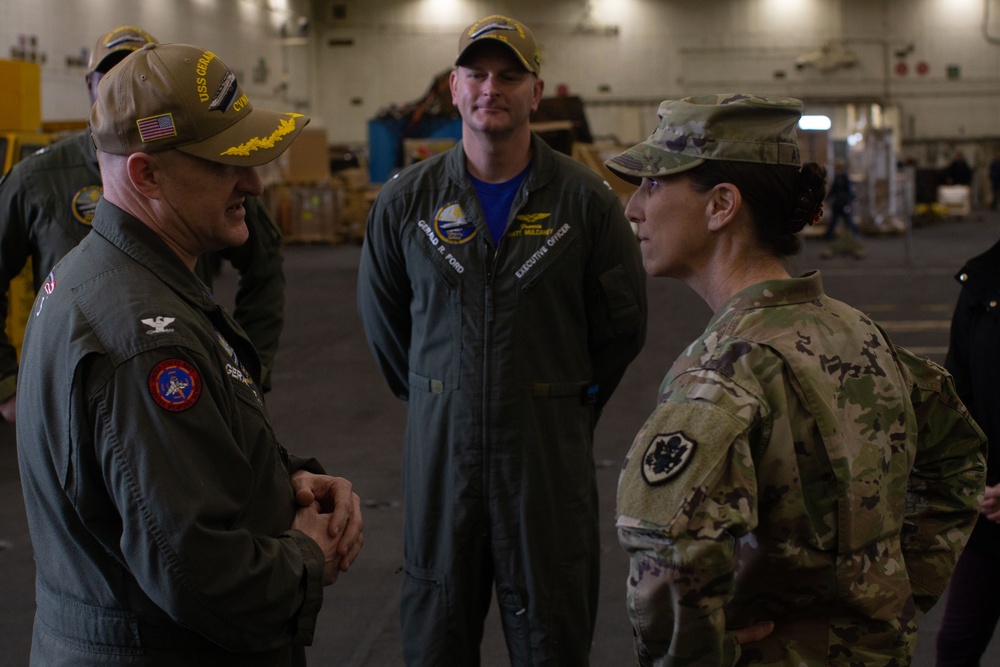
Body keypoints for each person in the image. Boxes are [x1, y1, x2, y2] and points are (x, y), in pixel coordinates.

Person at [605, 93, 986, 665]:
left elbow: (669, 550)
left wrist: (718, 652)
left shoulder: (722, 372)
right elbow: (958, 464)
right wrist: (889, 595)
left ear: (721, 205)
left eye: (654, 185)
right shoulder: (857, 331)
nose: (634, 207)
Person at [15, 42, 363, 665]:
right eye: (227, 163)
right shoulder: (145, 339)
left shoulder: (102, 276)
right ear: (146, 175)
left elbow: (174, 464)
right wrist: (309, 554)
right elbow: (199, 571)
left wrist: (286, 481)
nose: (254, 183)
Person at [357, 14, 647, 666]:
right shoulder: (404, 204)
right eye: (477, 74)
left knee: (552, 638)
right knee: (434, 638)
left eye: (510, 75)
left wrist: (559, 400)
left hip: (546, 468)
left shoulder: (587, 204)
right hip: (440, 465)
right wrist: (445, 393)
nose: (493, 87)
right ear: (454, 90)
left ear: (536, 92)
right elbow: (386, 330)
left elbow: (622, 328)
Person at [0, 26, 287, 425]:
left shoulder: (209, 176)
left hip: (184, 363)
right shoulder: (38, 179)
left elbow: (264, 263)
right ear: (89, 85)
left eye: (143, 78)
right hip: (92, 392)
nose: (128, 90)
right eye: (113, 75)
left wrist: (243, 368)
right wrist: (8, 385)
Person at [935, 239, 1000, 665]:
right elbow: (959, 397)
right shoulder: (982, 280)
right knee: (956, 646)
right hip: (990, 508)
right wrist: (974, 481)